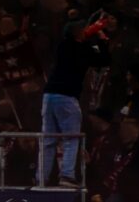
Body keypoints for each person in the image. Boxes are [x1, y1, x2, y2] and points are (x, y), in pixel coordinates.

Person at [40, 14, 112, 186]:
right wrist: (102, 38)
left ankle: (41, 177)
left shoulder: (62, 46)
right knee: (71, 138)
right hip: (66, 97)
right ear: (77, 32)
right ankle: (67, 175)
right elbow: (104, 60)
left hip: (48, 97)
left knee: (48, 140)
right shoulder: (82, 49)